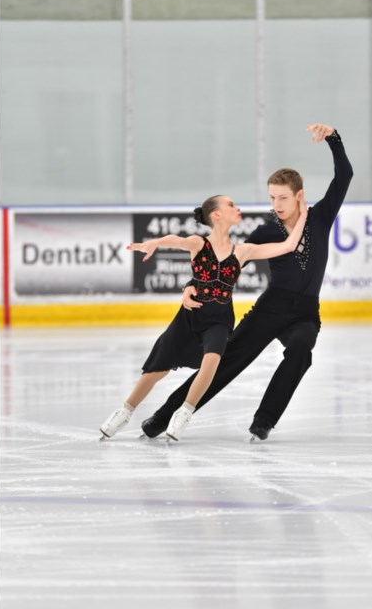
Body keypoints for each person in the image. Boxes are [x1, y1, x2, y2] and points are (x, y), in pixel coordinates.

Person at [139, 123, 353, 441]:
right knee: (226, 362)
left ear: (299, 196)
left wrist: (333, 138)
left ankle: (264, 420)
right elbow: (225, 261)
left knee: (301, 351)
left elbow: (344, 176)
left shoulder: (321, 217)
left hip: (306, 313)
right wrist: (190, 284)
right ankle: (162, 417)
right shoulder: (266, 232)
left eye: (283, 197)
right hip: (270, 308)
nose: (277, 204)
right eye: (272, 197)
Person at [98, 192, 309, 441]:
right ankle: (125, 411)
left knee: (212, 361)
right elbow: (176, 240)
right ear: (217, 214)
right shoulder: (199, 243)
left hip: (220, 320)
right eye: (231, 205)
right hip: (189, 317)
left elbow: (287, 246)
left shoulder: (243, 251)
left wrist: (303, 214)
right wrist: (154, 243)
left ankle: (184, 413)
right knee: (156, 370)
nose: (237, 207)